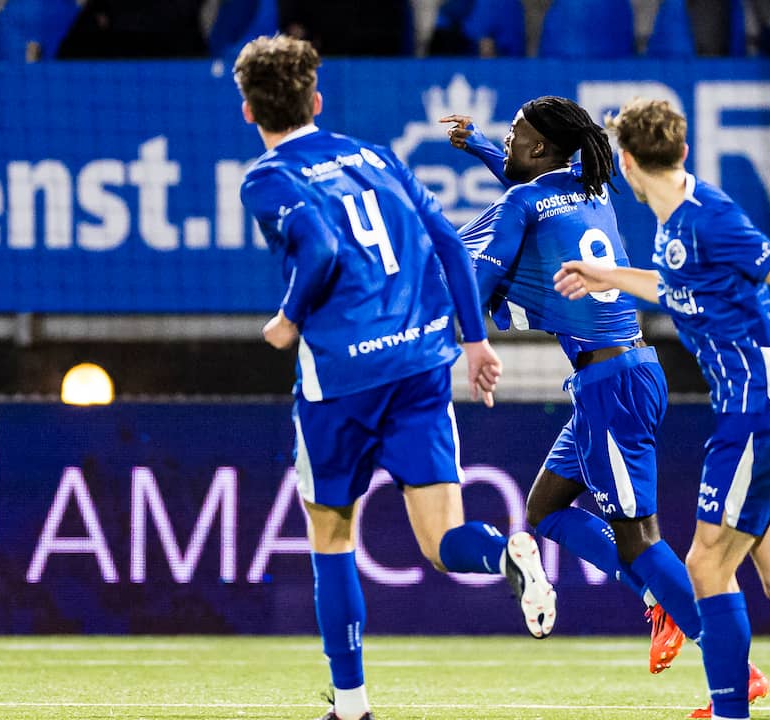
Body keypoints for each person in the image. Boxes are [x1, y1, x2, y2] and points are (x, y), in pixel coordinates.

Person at [554, 98, 770, 720]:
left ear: (626, 164)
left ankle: (729, 710)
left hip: (758, 413)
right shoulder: (676, 229)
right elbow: (674, 287)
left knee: (705, 565)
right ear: (683, 152)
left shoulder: (710, 217)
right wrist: (607, 274)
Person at [233, 35, 554, 720]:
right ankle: (505, 552)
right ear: (316, 100)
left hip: (343, 377)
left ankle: (351, 706)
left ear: (248, 112)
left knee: (332, 536)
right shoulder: (375, 156)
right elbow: (447, 242)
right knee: (444, 543)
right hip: (422, 362)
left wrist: (289, 317)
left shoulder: (266, 178)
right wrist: (474, 340)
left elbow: (317, 248)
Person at [440, 97, 701, 677]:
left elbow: (479, 280)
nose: (506, 142)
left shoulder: (520, 202)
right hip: (626, 372)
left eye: (513, 135)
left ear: (538, 148)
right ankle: (659, 601)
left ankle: (728, 661)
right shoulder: (592, 183)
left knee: (639, 538)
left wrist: (460, 318)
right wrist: (481, 143)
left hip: (612, 384)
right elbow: (534, 183)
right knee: (546, 510)